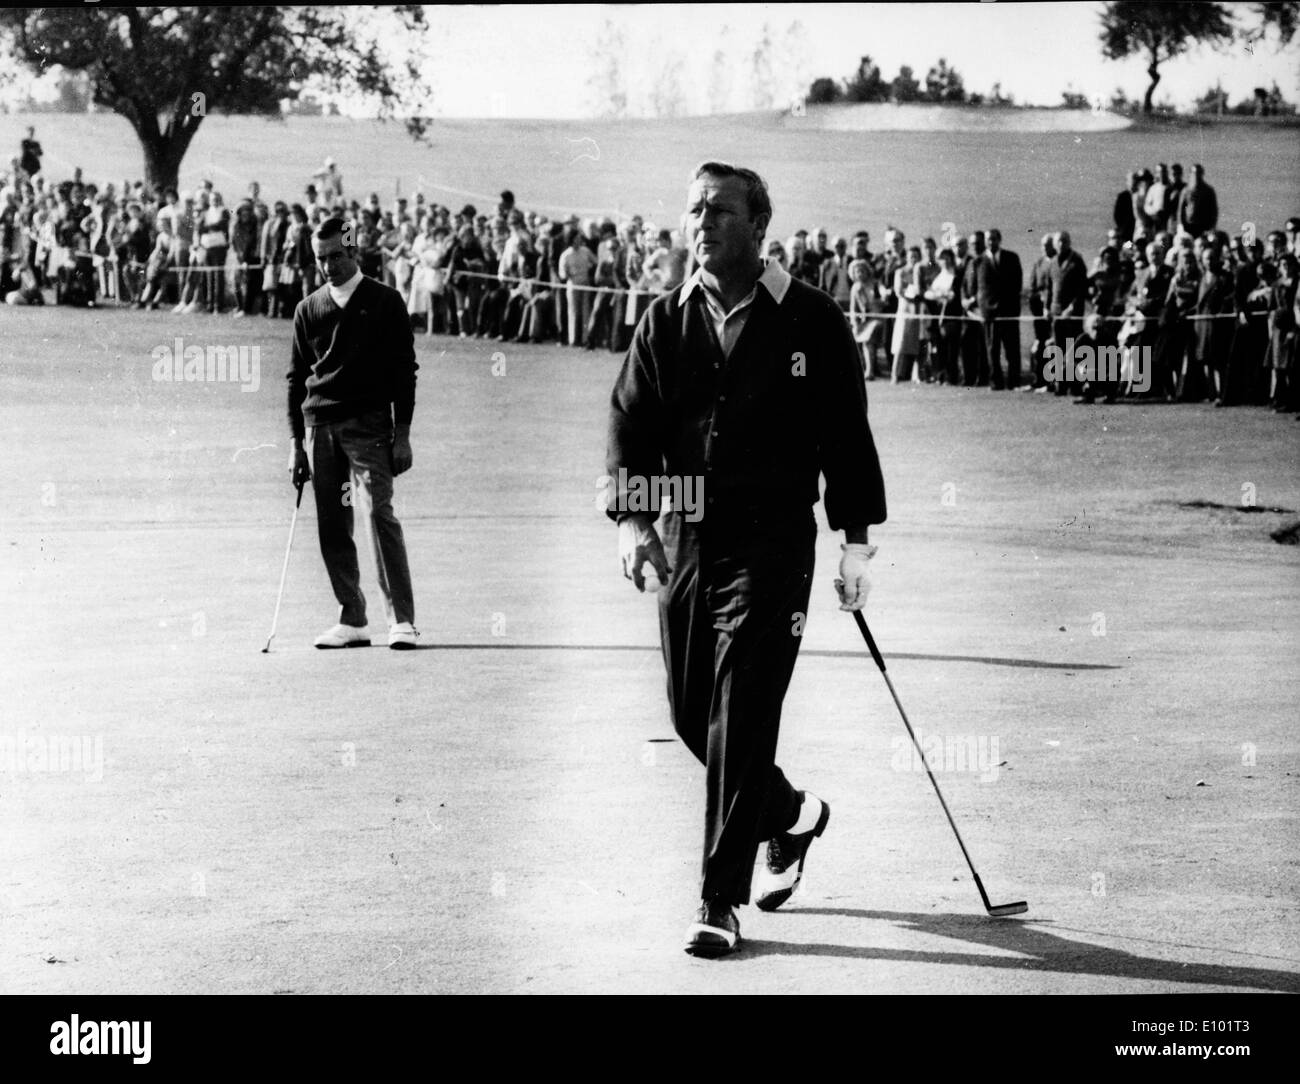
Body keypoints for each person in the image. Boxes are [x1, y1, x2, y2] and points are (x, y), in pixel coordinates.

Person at [605, 161, 886, 959]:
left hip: (773, 539)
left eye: (719, 210)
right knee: (693, 715)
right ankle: (791, 815)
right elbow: (630, 421)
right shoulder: (664, 319)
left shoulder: (812, 320)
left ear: (760, 225)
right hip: (689, 528)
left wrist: (856, 541)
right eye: (693, 208)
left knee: (741, 711)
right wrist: (632, 521)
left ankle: (718, 900)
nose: (701, 221)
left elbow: (847, 434)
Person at [287, 217, 419, 650]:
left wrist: (402, 434)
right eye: (320, 258)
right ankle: (353, 616)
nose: (327, 266)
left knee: (378, 513)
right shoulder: (308, 309)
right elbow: (296, 379)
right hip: (319, 427)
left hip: (370, 427)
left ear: (355, 252)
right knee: (332, 522)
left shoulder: (385, 301)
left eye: (336, 256)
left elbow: (404, 371)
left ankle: (401, 619)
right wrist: (295, 445)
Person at [984, 228, 1023, 389]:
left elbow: (1017, 283)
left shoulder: (1011, 258)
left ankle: (1014, 381)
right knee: (993, 350)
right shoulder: (979, 261)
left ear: (999, 240)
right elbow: (980, 288)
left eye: (994, 239)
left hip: (1008, 312)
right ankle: (996, 382)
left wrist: (1008, 305)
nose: (991, 242)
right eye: (988, 239)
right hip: (990, 314)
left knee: (1012, 349)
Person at [1177, 164, 1219, 238]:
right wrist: (1180, 225)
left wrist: (1212, 227)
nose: (1196, 175)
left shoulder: (1208, 190)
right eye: (1194, 173)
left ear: (1202, 174)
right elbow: (1180, 210)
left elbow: (1214, 210)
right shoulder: (1186, 190)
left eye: (1198, 173)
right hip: (1188, 226)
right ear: (1190, 174)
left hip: (1203, 227)